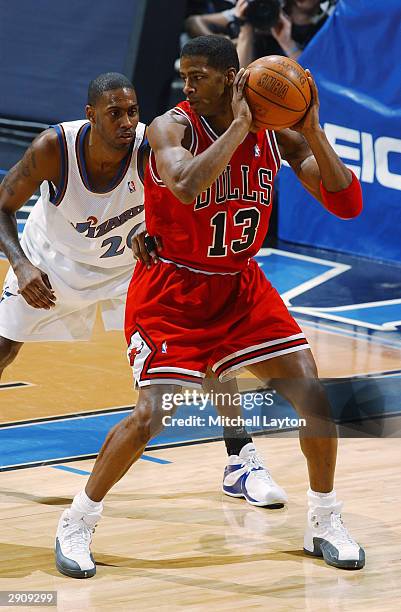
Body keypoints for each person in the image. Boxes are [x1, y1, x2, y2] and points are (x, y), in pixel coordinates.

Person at [54, 35, 364, 578]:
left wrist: (310, 129)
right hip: (172, 290)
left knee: (313, 393)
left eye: (198, 76)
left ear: (232, 76)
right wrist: (244, 125)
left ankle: (324, 518)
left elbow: (347, 203)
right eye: (184, 74)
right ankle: (78, 520)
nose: (187, 86)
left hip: (240, 287)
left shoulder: (278, 136)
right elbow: (186, 185)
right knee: (153, 414)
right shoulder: (169, 127)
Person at [0, 71, 285, 550]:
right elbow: (2, 206)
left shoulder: (150, 147)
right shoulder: (56, 148)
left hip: (129, 270)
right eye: (115, 113)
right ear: (90, 115)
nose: (128, 122)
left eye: (132, 111)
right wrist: (21, 265)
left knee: (209, 345)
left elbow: (186, 197)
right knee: (3, 350)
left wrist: (153, 233)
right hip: (50, 267)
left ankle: (241, 460)